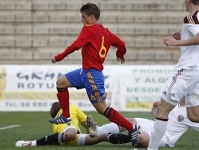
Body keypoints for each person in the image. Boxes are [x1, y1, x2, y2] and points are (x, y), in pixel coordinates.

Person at [48, 2, 139, 145]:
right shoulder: (107, 33)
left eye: (83, 17)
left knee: (103, 109)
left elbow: (76, 45)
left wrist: (59, 57)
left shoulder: (88, 29)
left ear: (91, 17)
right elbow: (121, 44)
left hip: (92, 74)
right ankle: (66, 115)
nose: (82, 20)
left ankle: (132, 127)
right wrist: (120, 53)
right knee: (61, 82)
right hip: (84, 72)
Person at [147, 1, 199, 149]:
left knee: (163, 110)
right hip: (196, 71)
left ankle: (152, 149)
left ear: (188, 1)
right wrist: (182, 37)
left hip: (187, 70)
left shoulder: (191, 16)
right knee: (194, 115)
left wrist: (177, 43)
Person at [15, 102, 125, 147]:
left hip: (69, 140)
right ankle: (130, 127)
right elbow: (88, 124)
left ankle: (132, 132)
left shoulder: (55, 121)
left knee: (103, 136)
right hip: (71, 133)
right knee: (100, 133)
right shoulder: (70, 106)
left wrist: (92, 133)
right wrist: (92, 131)